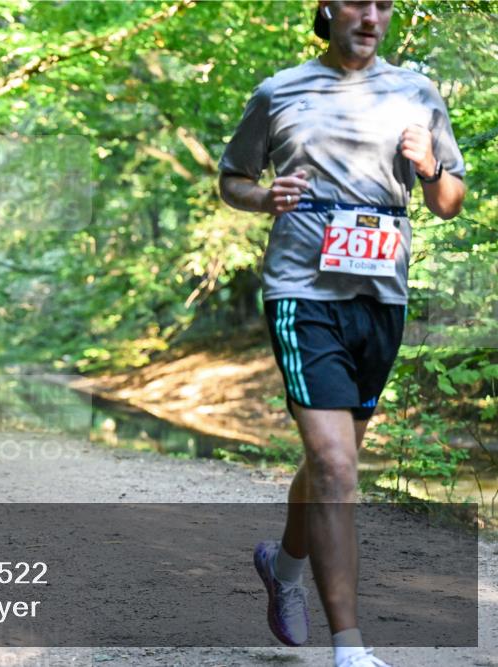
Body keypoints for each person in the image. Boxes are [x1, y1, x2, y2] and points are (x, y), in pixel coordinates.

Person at [218, 3, 466, 666]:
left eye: (385, 3)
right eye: (360, 1)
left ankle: (286, 570)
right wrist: (264, 197)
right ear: (328, 8)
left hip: (380, 296)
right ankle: (350, 647)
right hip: (303, 292)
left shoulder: (416, 91)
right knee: (334, 465)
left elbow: (448, 201)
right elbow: (232, 179)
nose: (373, 15)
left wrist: (431, 166)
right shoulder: (280, 90)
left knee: (333, 463)